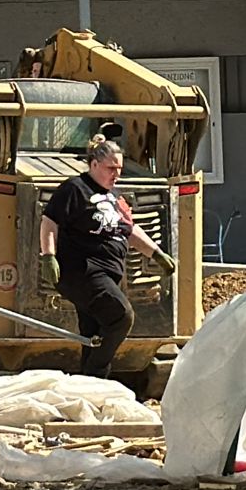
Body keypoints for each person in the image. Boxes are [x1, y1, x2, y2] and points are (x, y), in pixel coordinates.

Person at [38, 133, 178, 379]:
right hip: (83, 271)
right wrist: (48, 256)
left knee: (94, 332)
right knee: (121, 316)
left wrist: (156, 254)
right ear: (94, 165)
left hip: (107, 274)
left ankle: (90, 385)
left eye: (120, 169)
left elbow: (129, 230)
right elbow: (49, 222)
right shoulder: (75, 189)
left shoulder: (114, 195)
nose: (117, 174)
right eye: (111, 168)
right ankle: (98, 371)